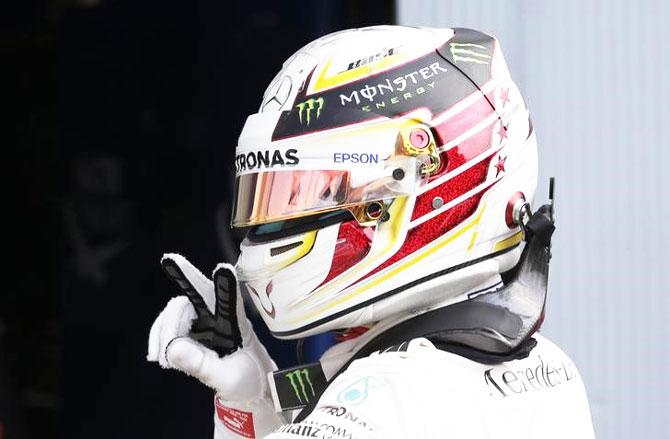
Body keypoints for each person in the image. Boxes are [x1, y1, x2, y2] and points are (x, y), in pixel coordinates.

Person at [147, 26, 595, 438]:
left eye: (313, 192)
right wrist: (255, 403)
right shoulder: (547, 366)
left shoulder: (386, 395)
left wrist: (246, 410)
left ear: (416, 189)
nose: (277, 220)